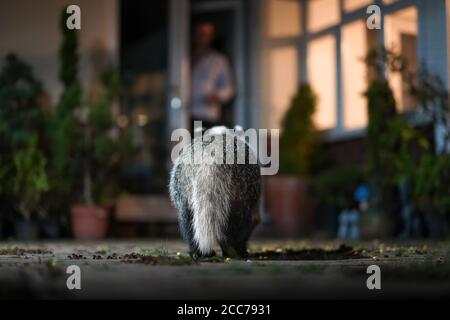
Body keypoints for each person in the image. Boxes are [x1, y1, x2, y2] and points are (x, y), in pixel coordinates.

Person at [190, 21, 235, 132]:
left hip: (206, 115)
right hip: (181, 114)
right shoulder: (182, 57)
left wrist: (216, 96)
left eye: (206, 34)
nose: (202, 37)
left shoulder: (218, 60)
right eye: (200, 33)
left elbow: (229, 89)